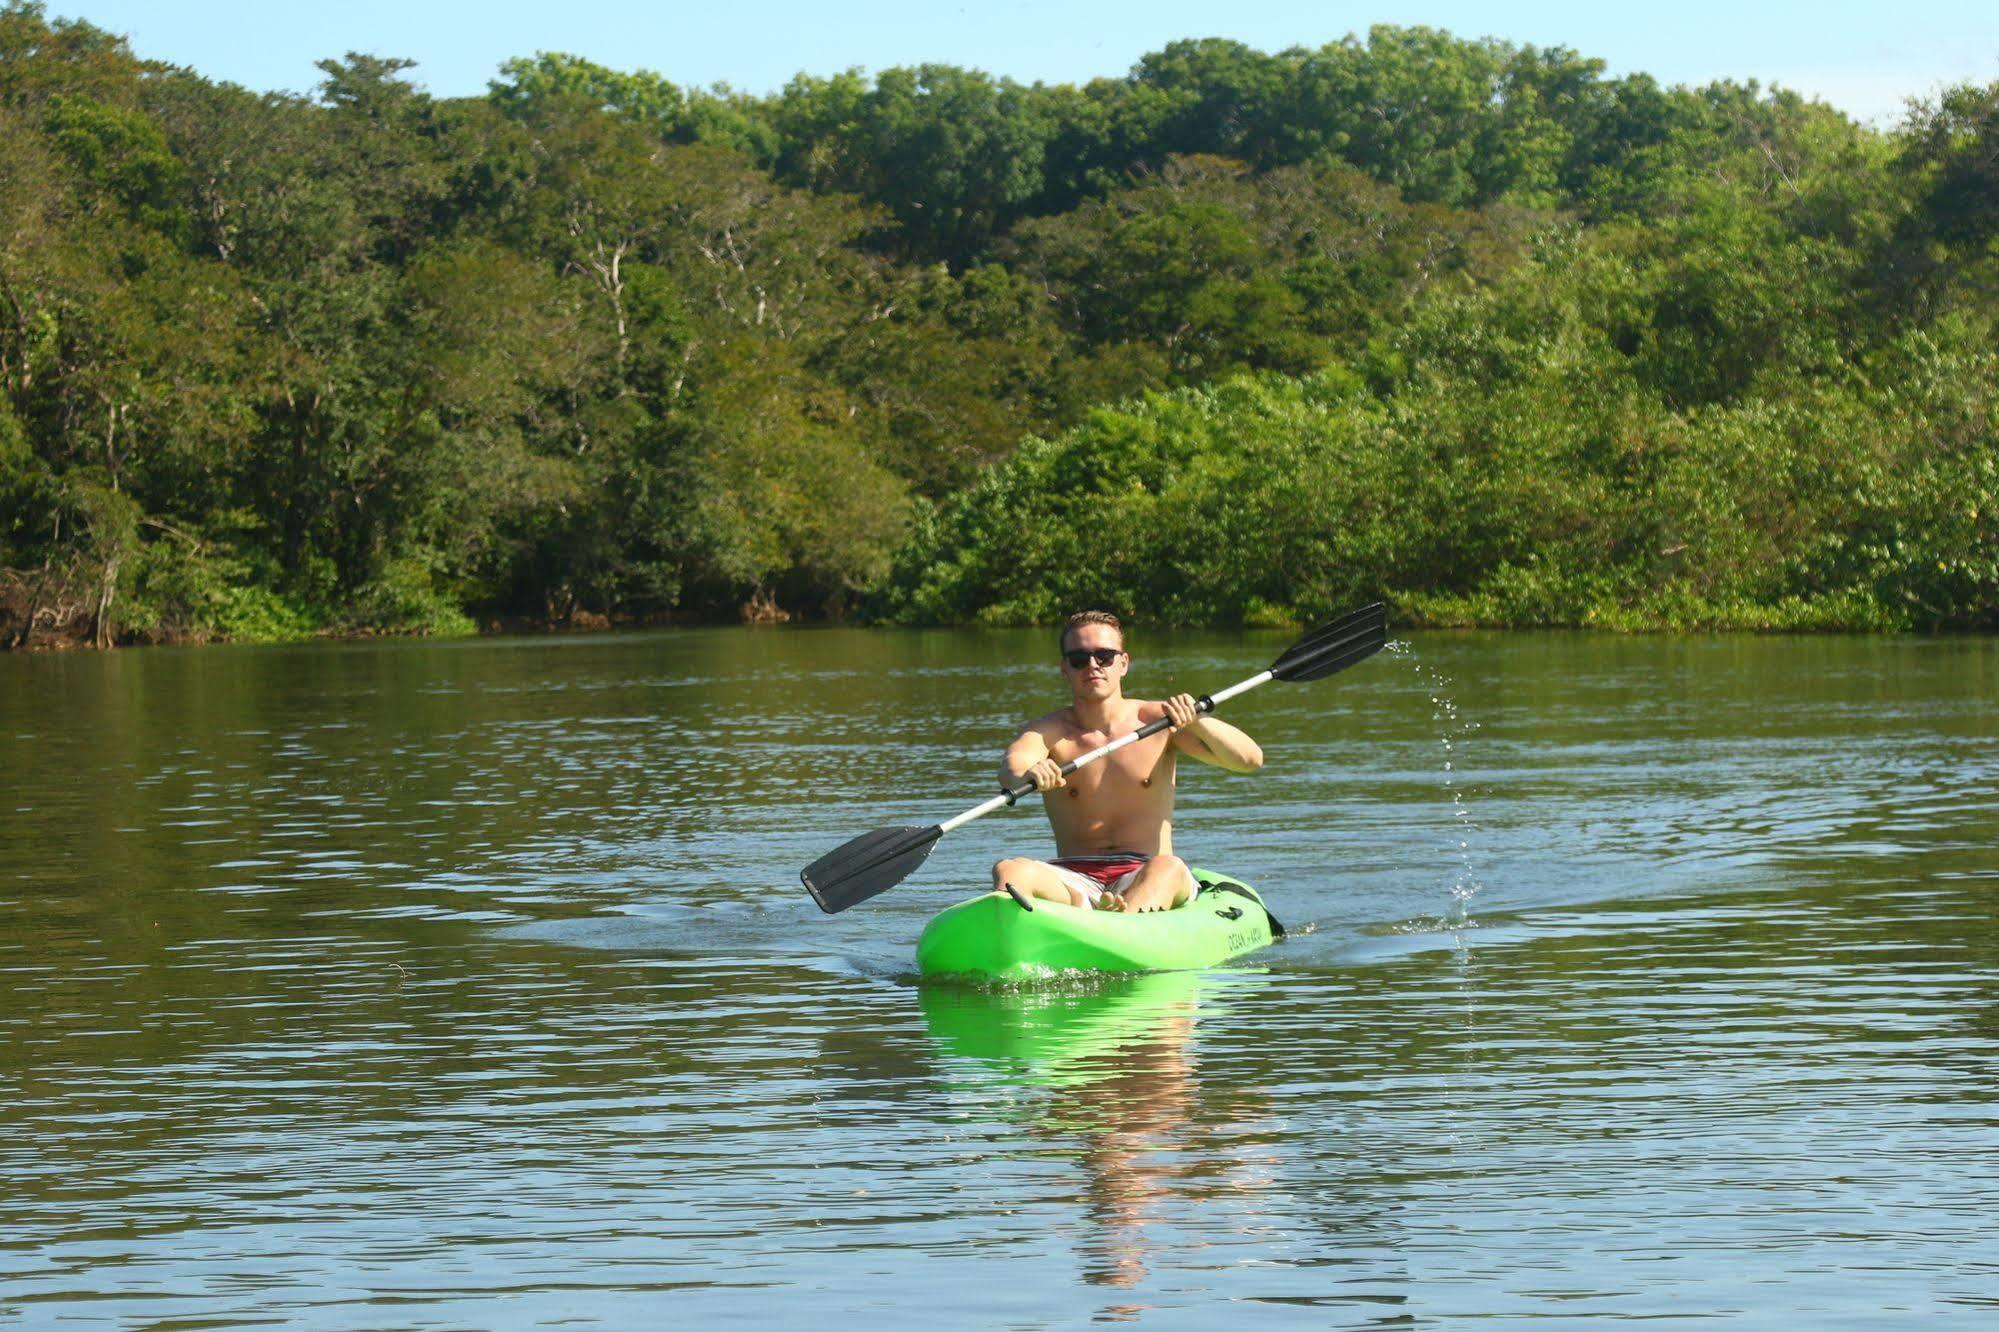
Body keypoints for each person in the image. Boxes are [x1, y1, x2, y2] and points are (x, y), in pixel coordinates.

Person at [992, 610, 1264, 913]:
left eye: (1104, 656)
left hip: (1146, 870)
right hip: (1074, 876)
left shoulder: (1159, 721)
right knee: (1010, 870)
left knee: (1168, 868)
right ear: (1064, 669)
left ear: (1123, 663)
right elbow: (1012, 767)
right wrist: (1029, 773)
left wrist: (1198, 721)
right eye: (1079, 659)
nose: (1092, 665)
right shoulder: (1048, 731)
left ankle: (1125, 917)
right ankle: (1070, 914)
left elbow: (1249, 760)